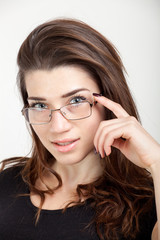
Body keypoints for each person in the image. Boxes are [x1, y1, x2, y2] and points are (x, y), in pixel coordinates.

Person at [0, 18, 160, 240]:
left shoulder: (148, 204)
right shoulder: (6, 183)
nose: (57, 127)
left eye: (75, 100)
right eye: (39, 105)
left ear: (109, 99)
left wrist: (157, 162)